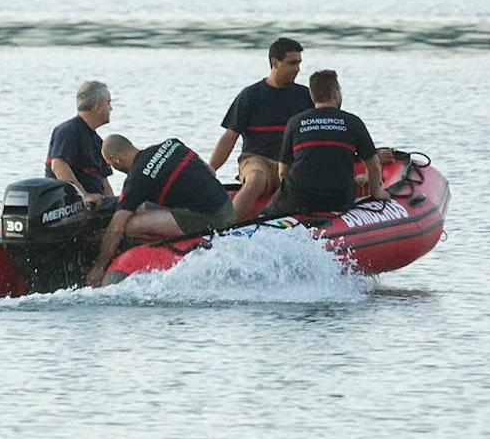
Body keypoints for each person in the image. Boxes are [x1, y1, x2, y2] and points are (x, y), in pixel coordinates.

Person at [87, 134, 237, 286]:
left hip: (213, 218)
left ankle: (169, 248)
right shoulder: (171, 144)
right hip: (224, 203)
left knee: (130, 225)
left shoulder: (136, 180)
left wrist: (99, 267)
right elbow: (208, 170)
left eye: (110, 164)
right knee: (139, 207)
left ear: (115, 160)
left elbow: (116, 228)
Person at [260, 69, 390, 217]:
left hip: (297, 200)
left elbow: (283, 171)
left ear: (312, 96)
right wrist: (376, 192)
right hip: (337, 201)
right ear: (335, 93)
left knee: (265, 215)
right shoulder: (353, 122)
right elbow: (374, 165)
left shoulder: (295, 122)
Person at [209, 37, 313, 219]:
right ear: (275, 63)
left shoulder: (306, 96)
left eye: (299, 63)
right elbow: (229, 136)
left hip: (294, 164)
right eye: (292, 63)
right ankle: (226, 228)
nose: (298, 69)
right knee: (255, 179)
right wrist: (211, 169)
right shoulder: (251, 96)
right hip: (258, 161)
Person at [44, 80, 113, 206]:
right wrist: (84, 196)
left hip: (95, 206)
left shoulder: (98, 142)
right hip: (67, 207)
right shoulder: (68, 131)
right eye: (108, 103)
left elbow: (104, 182)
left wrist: (113, 206)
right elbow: (58, 165)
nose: (111, 108)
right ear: (97, 107)